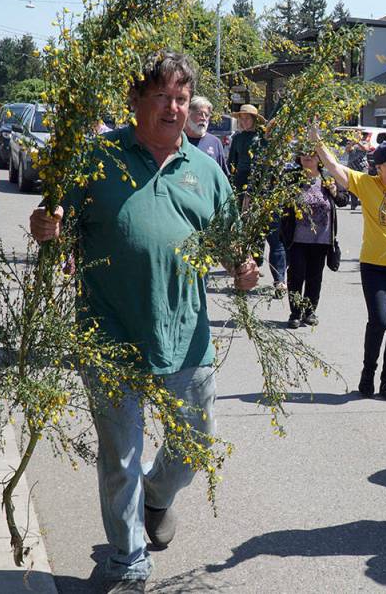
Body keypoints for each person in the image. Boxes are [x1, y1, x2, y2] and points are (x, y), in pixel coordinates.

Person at [29, 52, 260, 594]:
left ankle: (156, 496)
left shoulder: (206, 171)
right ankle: (127, 561)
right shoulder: (97, 159)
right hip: (109, 334)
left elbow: (232, 248)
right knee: (121, 459)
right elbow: (53, 223)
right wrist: (45, 227)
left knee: (195, 446)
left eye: (181, 98)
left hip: (185, 336)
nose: (173, 108)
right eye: (161, 96)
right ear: (135, 101)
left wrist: (245, 269)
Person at [315, 135, 386, 402]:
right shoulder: (367, 184)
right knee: (380, 320)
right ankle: (368, 374)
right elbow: (334, 167)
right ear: (379, 168)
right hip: (374, 265)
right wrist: (317, 143)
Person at [279, 151, 349, 328]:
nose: (307, 156)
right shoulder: (292, 178)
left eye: (312, 153)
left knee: (314, 277)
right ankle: (295, 313)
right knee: (296, 275)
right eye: (303, 153)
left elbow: (343, 201)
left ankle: (309, 312)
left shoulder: (328, 177)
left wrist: (334, 192)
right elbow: (280, 201)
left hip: (322, 239)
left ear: (320, 158)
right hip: (297, 239)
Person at [228, 103, 287, 296]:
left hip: (266, 192)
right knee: (248, 237)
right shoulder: (237, 138)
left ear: (255, 119)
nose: (243, 121)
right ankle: (247, 276)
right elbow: (232, 164)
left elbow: (273, 164)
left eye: (247, 118)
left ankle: (280, 281)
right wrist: (236, 191)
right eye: (241, 118)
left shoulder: (264, 137)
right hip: (242, 191)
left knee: (275, 237)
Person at [184, 95, 227, 173]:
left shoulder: (215, 142)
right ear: (187, 115)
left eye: (206, 115)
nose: (204, 118)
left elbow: (222, 175)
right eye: (199, 114)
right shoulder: (177, 140)